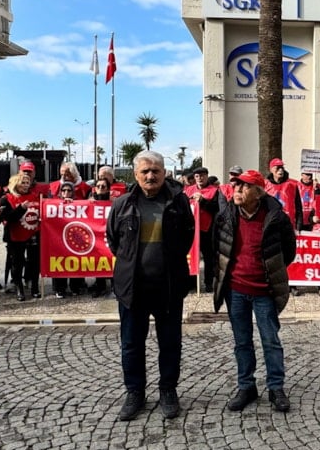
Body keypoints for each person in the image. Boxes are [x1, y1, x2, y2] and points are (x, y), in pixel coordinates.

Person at [105, 150, 195, 421]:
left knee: (170, 343)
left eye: (155, 170)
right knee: (132, 344)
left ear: (164, 172)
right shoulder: (122, 204)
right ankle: (135, 393)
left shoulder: (178, 202)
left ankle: (168, 390)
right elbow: (114, 241)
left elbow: (187, 238)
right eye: (145, 171)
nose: (150, 175)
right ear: (135, 174)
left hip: (168, 287)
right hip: (133, 289)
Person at [209, 169, 298, 413]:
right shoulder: (226, 214)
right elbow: (217, 247)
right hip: (235, 290)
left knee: (271, 340)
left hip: (265, 290)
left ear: (258, 192)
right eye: (236, 185)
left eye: (244, 186)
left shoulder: (276, 217)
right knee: (242, 341)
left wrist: (271, 272)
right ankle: (246, 386)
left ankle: (276, 388)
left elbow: (289, 251)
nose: (237, 190)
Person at [0, 173, 42, 301]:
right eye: (23, 182)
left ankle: (35, 287)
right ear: (15, 183)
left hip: (33, 234)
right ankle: (19, 288)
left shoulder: (35, 196)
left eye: (27, 182)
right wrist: (21, 209)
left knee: (34, 263)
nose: (25, 185)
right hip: (15, 236)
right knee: (17, 263)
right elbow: (7, 218)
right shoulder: (6, 198)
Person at [185, 166, 226, 292]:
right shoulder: (188, 190)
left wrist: (203, 201)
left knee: (209, 258)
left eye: (202, 176)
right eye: (197, 176)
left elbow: (217, 209)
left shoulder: (215, 191)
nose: (200, 178)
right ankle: (191, 283)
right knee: (191, 257)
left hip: (208, 230)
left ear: (207, 176)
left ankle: (209, 282)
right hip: (191, 230)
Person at [49, 183, 88, 298]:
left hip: (75, 238)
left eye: (69, 190)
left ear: (73, 192)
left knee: (75, 261)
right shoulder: (53, 204)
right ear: (60, 192)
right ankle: (59, 289)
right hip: (58, 239)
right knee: (59, 262)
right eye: (63, 190)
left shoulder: (80, 204)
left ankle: (75, 287)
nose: (66, 193)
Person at [265, 158, 303, 231]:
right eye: (277, 167)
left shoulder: (292, 185)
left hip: (288, 224)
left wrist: (299, 226)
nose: (280, 170)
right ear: (271, 169)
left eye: (282, 167)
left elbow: (298, 207)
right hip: (270, 224)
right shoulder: (265, 185)